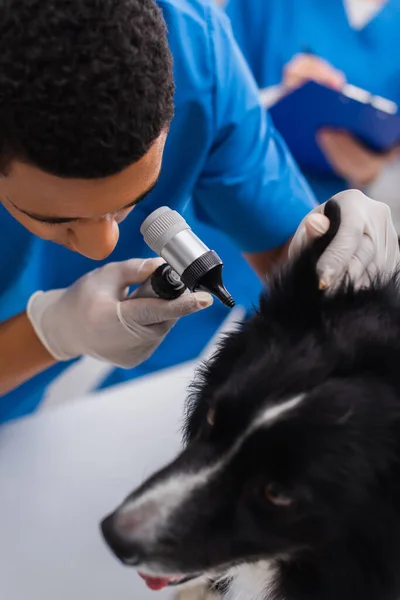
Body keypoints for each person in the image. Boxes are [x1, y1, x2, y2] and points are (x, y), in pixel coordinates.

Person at [0, 0, 398, 424]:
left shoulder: (197, 59)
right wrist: (50, 333)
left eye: (131, 203)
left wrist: (341, 254)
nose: (103, 248)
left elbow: (298, 267)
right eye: (55, 219)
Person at [225, 0, 400, 204]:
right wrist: (280, 95)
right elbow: (211, 102)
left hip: (340, 218)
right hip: (236, 203)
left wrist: (372, 174)